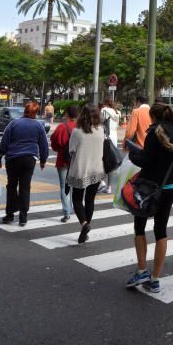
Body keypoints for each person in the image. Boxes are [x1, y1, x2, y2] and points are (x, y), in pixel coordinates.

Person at [125, 102, 173, 292]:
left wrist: (133, 154)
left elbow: (145, 160)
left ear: (153, 116)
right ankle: (155, 278)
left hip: (148, 189)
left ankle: (142, 269)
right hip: (168, 188)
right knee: (161, 230)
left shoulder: (154, 133)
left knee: (139, 227)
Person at [0, 101, 49, 226]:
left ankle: (10, 214)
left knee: (11, 186)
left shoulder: (13, 123)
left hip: (13, 158)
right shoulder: (38, 126)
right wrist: (43, 160)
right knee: (25, 187)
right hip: (29, 159)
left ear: (25, 111)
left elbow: (4, 142)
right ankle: (23, 217)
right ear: (35, 113)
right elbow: (44, 146)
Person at [66, 104, 106, 244]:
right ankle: (87, 225)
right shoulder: (101, 130)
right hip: (97, 170)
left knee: (77, 199)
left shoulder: (77, 131)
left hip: (80, 170)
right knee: (90, 199)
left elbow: (71, 151)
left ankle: (84, 224)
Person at [50, 104, 78, 222]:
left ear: (67, 114)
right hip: (77, 161)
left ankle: (67, 212)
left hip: (63, 160)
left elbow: (54, 142)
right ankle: (75, 207)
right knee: (74, 185)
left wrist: (60, 149)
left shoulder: (62, 127)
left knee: (63, 186)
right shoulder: (81, 127)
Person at [99, 98, 121, 194]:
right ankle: (109, 187)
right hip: (114, 137)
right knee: (111, 162)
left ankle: (101, 182)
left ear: (105, 104)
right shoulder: (117, 113)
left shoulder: (104, 110)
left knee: (102, 160)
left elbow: (100, 122)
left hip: (105, 136)